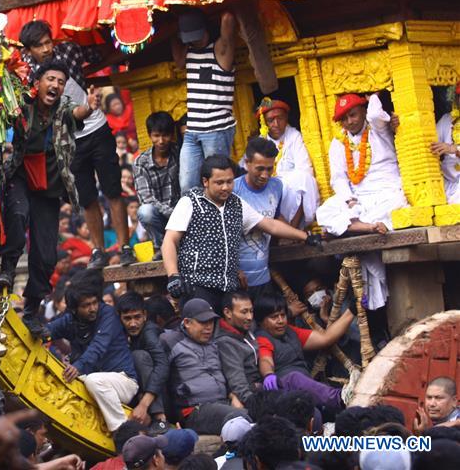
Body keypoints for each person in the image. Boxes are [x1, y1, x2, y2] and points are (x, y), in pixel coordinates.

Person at [0, 58, 104, 336]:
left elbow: (76, 113)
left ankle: (31, 309)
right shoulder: (22, 105)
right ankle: (6, 268)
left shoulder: (63, 110)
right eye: (50, 79)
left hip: (49, 189)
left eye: (60, 82)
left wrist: (90, 107)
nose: (55, 85)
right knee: (17, 216)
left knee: (45, 255)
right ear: (38, 82)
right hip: (21, 176)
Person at [17, 20, 134, 270]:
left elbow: (100, 52)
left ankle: (125, 247)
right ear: (28, 50)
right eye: (40, 46)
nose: (47, 49)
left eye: (49, 42)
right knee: (87, 198)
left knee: (113, 190)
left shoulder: (69, 50)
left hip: (97, 130)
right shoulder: (24, 74)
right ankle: (98, 251)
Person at [161, 155, 319, 312]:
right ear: (205, 182)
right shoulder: (190, 202)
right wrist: (173, 276)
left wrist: (305, 237)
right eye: (219, 182)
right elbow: (170, 241)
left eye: (229, 182)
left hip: (229, 289)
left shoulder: (236, 203)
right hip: (197, 287)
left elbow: (270, 225)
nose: (225, 187)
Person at [315, 92, 407, 315]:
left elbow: (376, 113)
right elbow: (337, 177)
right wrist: (348, 198)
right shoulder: (338, 143)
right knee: (324, 211)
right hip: (358, 199)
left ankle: (351, 228)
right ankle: (366, 228)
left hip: (388, 193)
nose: (350, 122)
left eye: (354, 115)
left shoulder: (378, 128)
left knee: (394, 207)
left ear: (363, 111)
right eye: (344, 119)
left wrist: (372, 94)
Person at [48, 277, 137, 432]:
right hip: (92, 380)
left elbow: (99, 346)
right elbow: (47, 331)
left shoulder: (107, 314)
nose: (93, 308)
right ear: (74, 309)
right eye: (86, 305)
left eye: (95, 302)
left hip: (123, 380)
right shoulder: (70, 319)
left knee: (94, 381)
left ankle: (122, 431)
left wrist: (78, 366)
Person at [157, 298, 250, 434]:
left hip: (223, 403)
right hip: (194, 410)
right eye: (203, 322)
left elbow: (226, 373)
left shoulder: (214, 343)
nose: (209, 327)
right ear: (187, 322)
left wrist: (233, 395)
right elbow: (159, 376)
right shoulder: (170, 342)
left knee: (257, 413)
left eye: (211, 322)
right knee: (238, 419)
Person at [254, 293, 357, 410]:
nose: (280, 321)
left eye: (283, 315)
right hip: (284, 392)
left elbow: (326, 338)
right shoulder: (262, 338)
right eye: (274, 317)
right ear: (261, 321)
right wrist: (268, 375)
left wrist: (352, 310)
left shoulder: (290, 331)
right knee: (294, 378)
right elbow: (265, 360)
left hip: (305, 392)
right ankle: (340, 397)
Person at [171, 10, 237, 192]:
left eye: (196, 36)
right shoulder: (188, 51)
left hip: (216, 130)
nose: (194, 41)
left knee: (218, 184)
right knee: (187, 185)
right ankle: (197, 220)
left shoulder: (220, 50)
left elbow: (228, 18)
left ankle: (222, 219)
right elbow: (178, 59)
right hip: (193, 130)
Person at [251, 99, 320, 226]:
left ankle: (293, 229)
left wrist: (286, 184)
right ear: (264, 122)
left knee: (304, 180)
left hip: (291, 190)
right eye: (271, 120)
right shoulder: (260, 142)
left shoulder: (294, 136)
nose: (276, 124)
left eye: (280, 118)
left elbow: (305, 169)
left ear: (286, 118)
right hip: (268, 190)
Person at [232, 137, 285, 295]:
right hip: (237, 281)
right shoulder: (232, 189)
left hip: (263, 278)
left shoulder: (277, 186)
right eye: (260, 169)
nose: (265, 175)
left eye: (270, 169)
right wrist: (233, 268)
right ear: (247, 163)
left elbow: (275, 219)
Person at [116, 292, 166, 428]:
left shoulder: (149, 332)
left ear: (144, 315)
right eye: (127, 318)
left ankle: (160, 419)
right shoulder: (122, 335)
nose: (133, 324)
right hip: (142, 393)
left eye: (137, 317)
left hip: (165, 394)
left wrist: (144, 403)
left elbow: (162, 365)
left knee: (138, 356)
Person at [134, 111, 179, 260]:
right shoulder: (141, 162)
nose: (161, 141)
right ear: (150, 135)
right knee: (145, 211)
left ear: (172, 135)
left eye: (165, 135)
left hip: (182, 215)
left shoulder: (179, 153)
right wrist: (172, 213)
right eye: (156, 136)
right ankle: (162, 246)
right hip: (161, 216)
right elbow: (146, 198)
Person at [214, 291, 261, 408]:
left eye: (251, 311)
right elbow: (236, 379)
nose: (249, 317)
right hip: (252, 392)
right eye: (244, 312)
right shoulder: (225, 342)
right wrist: (254, 404)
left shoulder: (246, 328)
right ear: (227, 313)